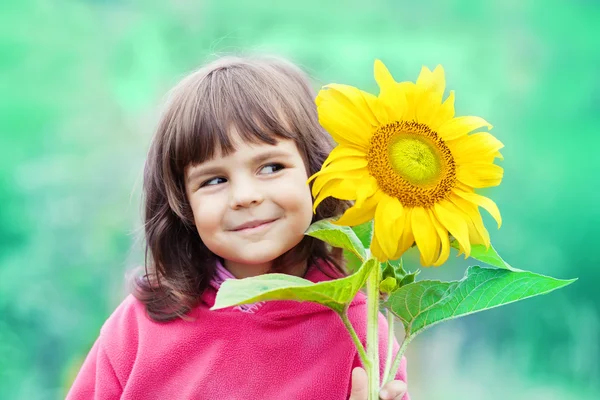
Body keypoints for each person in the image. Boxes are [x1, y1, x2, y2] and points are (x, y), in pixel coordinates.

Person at [66, 55, 410, 400]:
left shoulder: (362, 333)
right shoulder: (138, 326)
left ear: (317, 170)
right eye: (214, 179)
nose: (245, 196)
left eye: (271, 167)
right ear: (183, 205)